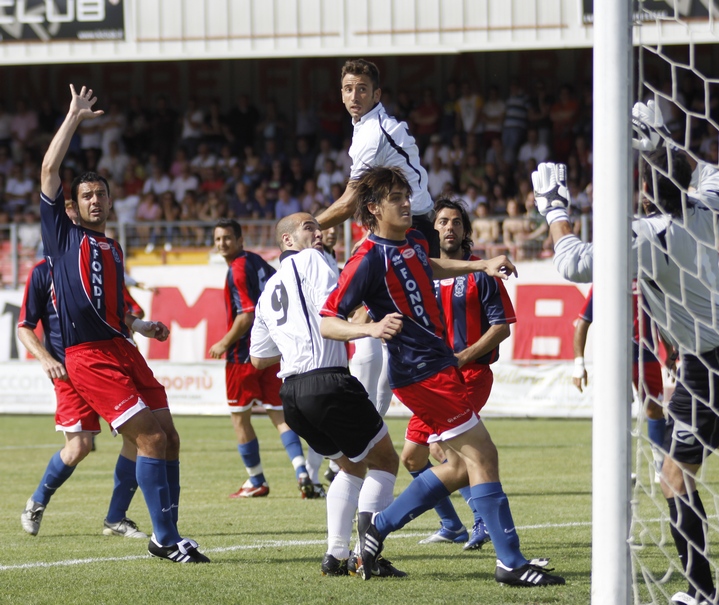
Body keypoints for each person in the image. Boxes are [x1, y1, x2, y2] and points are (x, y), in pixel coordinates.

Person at [532, 102, 719, 603]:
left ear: (649, 191)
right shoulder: (704, 206)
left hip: (712, 358)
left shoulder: (648, 236)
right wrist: (664, 142)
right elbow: (716, 174)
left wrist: (554, 207)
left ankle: (702, 594)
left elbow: (571, 263)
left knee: (673, 476)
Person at [319, 165, 564, 587]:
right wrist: (370, 329)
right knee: (482, 456)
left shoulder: (412, 241)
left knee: (458, 466)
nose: (406, 202)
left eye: (405, 194)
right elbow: (328, 319)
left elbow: (427, 267)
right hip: (420, 372)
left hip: (438, 367)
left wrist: (482, 264)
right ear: (374, 209)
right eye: (396, 197)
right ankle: (510, 561)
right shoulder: (365, 258)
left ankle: (378, 526)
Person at [39, 84, 208, 563]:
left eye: (101, 195)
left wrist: (142, 325)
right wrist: (73, 116)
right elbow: (50, 169)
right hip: (88, 356)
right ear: (74, 204)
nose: (94, 200)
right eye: (86, 195)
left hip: (122, 348)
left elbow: (118, 310)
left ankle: (170, 533)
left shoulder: (112, 249)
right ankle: (164, 539)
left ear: (111, 202)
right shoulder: (63, 236)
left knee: (169, 436)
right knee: (150, 437)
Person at [249, 212, 404, 578]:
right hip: (328, 382)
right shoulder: (316, 260)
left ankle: (335, 555)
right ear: (288, 240)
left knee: (348, 465)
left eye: (320, 228)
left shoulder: (269, 288)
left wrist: (294, 346)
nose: (319, 234)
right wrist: (370, 326)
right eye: (309, 228)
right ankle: (367, 555)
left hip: (293, 396)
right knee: (384, 461)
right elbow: (331, 316)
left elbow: (258, 357)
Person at [401, 198, 516, 551]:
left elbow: (502, 328)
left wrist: (463, 356)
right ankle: (452, 524)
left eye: (455, 222)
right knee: (413, 457)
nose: (449, 227)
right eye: (442, 222)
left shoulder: (482, 273)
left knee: (455, 451)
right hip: (434, 380)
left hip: (471, 376)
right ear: (432, 229)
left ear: (465, 230)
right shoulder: (421, 275)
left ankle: (483, 523)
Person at [18, 252, 146, 540]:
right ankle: (36, 503)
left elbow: (125, 312)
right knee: (78, 448)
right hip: (69, 371)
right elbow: (24, 326)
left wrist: (138, 325)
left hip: (109, 367)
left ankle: (116, 518)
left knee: (139, 437)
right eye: (66, 207)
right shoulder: (42, 272)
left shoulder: (99, 264)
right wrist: (45, 359)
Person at [208, 217, 319, 499]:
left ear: (239, 240)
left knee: (240, 419)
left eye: (227, 238)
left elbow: (246, 314)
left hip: (242, 356)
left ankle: (256, 480)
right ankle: (301, 471)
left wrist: (223, 342)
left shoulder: (237, 269)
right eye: (218, 239)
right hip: (270, 353)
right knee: (279, 416)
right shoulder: (257, 262)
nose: (222, 244)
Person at [315, 59, 438, 257]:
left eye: (362, 89)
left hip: (412, 227)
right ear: (342, 95)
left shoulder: (373, 132)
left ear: (376, 95)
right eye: (348, 89)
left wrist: (308, 226)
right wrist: (373, 233)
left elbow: (349, 203)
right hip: (402, 224)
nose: (354, 96)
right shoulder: (366, 124)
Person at [571, 287, 669, 483]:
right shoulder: (605, 279)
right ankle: (619, 468)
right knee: (616, 413)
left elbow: (663, 322)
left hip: (647, 357)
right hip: (614, 358)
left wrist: (670, 355)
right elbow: (583, 322)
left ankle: (661, 468)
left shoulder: (650, 279)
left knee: (654, 410)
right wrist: (578, 364)